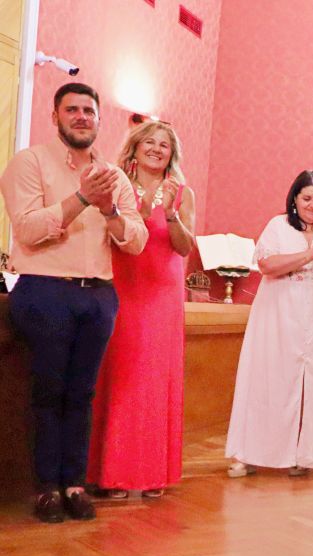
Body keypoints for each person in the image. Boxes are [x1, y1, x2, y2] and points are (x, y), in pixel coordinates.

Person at [0, 82, 148, 523]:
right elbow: (26, 230)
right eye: (73, 110)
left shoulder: (115, 177)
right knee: (48, 393)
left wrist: (109, 210)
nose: (82, 117)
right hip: (45, 291)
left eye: (89, 111)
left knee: (82, 394)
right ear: (55, 116)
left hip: (98, 295)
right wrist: (83, 198)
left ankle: (75, 484)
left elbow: (135, 241)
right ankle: (46, 488)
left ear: (100, 121)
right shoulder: (30, 162)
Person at [225, 170, 313, 476]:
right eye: (307, 198)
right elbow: (268, 266)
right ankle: (250, 453)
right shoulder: (278, 225)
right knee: (270, 379)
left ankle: (307, 454)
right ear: (295, 199)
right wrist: (311, 252)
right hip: (279, 313)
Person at [89, 120, 196, 499]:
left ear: (172, 154)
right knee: (117, 376)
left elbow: (184, 248)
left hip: (161, 295)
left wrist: (170, 213)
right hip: (121, 287)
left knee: (152, 380)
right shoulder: (116, 185)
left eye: (164, 145)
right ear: (133, 148)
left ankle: (151, 473)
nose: (155, 148)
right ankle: (111, 474)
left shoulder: (182, 193)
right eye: (148, 142)